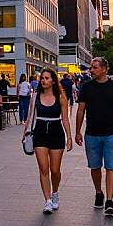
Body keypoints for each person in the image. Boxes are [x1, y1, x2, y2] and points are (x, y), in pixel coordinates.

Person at [75, 57, 113, 216]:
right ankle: (99, 192)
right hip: (91, 134)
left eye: (94, 67)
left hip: (112, 134)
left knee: (111, 167)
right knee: (94, 167)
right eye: (91, 67)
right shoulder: (86, 87)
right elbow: (80, 111)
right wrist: (77, 131)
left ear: (104, 69)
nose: (91, 70)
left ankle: (109, 200)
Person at [23, 68, 72, 213]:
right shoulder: (35, 96)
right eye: (42, 78)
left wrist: (69, 137)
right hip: (40, 132)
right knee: (43, 168)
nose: (44, 81)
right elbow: (30, 116)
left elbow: (65, 119)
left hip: (56, 132)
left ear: (53, 81)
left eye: (47, 78)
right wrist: (26, 132)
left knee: (55, 170)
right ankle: (47, 200)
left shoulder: (61, 96)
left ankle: (55, 193)